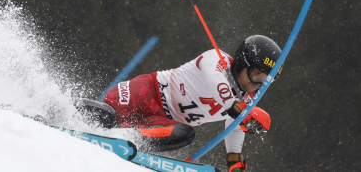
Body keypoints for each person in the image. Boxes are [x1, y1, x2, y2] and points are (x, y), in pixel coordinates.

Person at [76, 35, 282, 172]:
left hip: (162, 122)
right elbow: (214, 79)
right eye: (257, 75)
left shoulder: (245, 100)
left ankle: (126, 137)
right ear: (243, 62)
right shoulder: (217, 59)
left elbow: (234, 125)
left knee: (186, 134)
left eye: (267, 81)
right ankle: (60, 106)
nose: (258, 85)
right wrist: (237, 109)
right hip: (145, 93)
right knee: (107, 117)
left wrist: (234, 159)